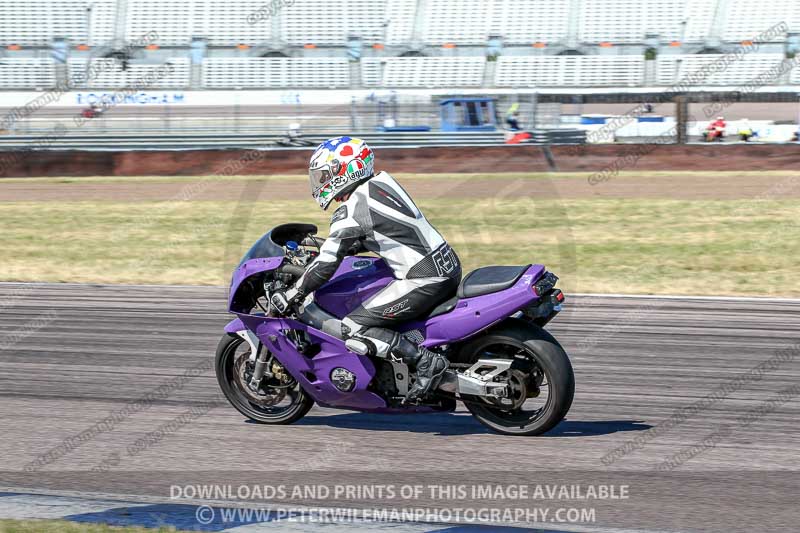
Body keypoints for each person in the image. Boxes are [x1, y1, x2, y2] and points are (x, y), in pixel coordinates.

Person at [270, 137, 462, 403]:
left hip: (423, 278)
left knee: (353, 327)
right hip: (445, 264)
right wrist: (339, 246)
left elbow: (326, 265)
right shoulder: (382, 183)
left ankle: (427, 363)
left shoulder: (350, 210)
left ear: (345, 170)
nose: (321, 181)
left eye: (325, 174)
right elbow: (383, 232)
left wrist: (294, 293)